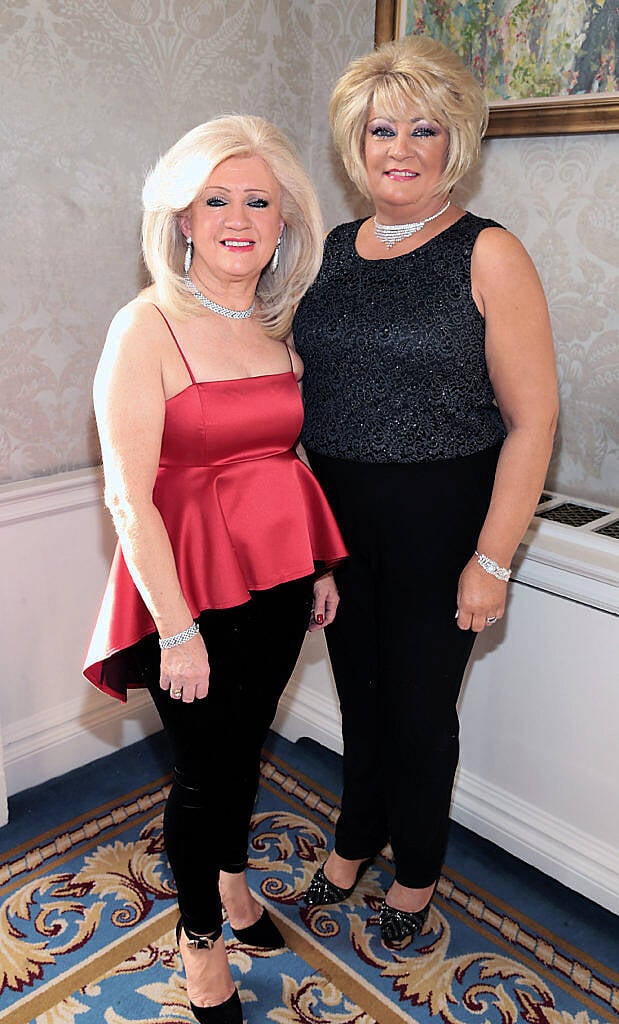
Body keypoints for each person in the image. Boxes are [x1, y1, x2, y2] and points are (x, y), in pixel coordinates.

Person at [293, 35, 559, 950]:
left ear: (455, 145)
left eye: (421, 130)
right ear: (353, 144)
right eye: (378, 130)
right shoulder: (330, 248)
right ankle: (352, 840)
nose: (397, 148)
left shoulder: (488, 253)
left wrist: (492, 559)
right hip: (340, 517)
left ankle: (414, 874)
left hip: (443, 521)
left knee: (416, 710)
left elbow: (532, 422)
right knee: (357, 698)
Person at [83, 115, 347, 1024]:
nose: (239, 216)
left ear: (284, 224)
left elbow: (281, 456)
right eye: (215, 199)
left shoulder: (277, 328)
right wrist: (177, 629)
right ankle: (201, 939)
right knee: (203, 777)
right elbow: (129, 497)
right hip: (185, 590)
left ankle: (234, 885)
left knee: (244, 752)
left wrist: (315, 560)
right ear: (182, 219)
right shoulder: (145, 325)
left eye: (259, 200)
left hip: (276, 581)